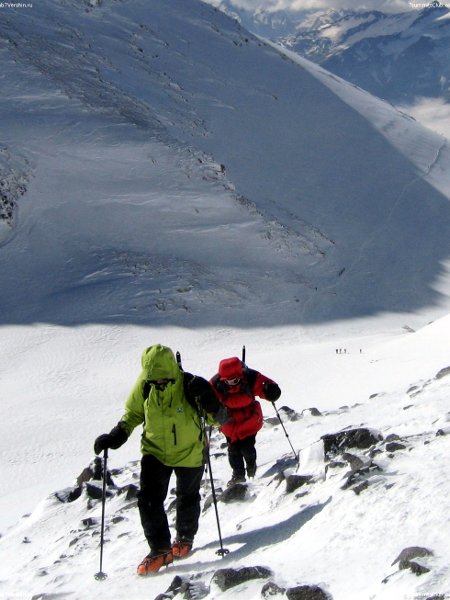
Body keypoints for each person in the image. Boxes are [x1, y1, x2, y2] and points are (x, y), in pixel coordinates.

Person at [94, 344, 226, 576]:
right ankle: (160, 549)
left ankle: (185, 538)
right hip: (155, 451)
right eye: (154, 381)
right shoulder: (145, 385)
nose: (158, 384)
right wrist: (116, 436)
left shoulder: (191, 385)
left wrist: (211, 403)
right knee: (148, 500)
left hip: (190, 451)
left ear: (170, 373)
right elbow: (133, 414)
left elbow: (220, 419)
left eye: (162, 381)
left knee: (187, 497)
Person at [209, 356, 281, 486]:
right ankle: (238, 476)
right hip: (229, 423)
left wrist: (271, 392)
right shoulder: (216, 384)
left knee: (247, 447)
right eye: (228, 381)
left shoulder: (250, 377)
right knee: (233, 451)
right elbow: (207, 396)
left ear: (240, 375)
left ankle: (251, 467)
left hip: (249, 420)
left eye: (234, 380)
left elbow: (265, 385)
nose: (231, 383)